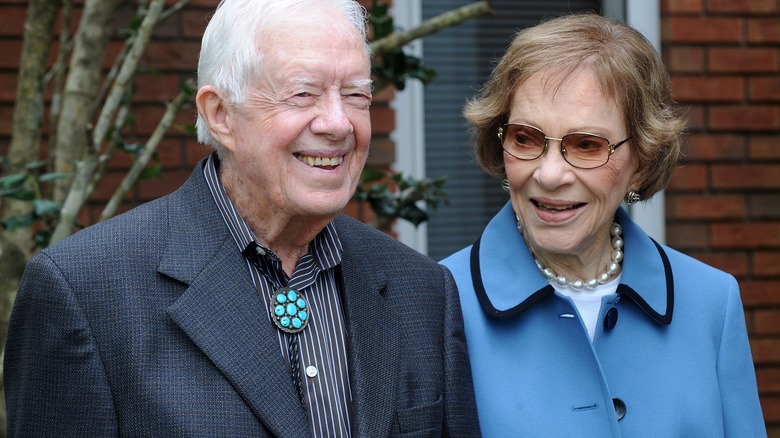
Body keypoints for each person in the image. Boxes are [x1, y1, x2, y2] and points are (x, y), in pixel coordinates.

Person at [4, 0, 480, 436]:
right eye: (302, 94)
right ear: (220, 115)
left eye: (356, 95)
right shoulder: (86, 292)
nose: (338, 123)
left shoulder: (422, 291)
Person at [441, 13, 765, 437]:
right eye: (525, 138)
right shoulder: (437, 303)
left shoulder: (711, 303)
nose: (550, 174)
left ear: (641, 162)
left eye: (587, 145)